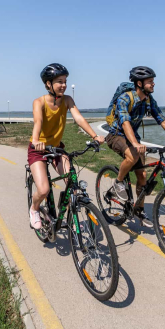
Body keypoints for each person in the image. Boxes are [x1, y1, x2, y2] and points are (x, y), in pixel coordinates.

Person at [105, 66, 165, 226]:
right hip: (116, 134)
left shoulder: (149, 100)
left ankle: (139, 209)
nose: (154, 84)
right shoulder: (125, 98)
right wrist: (135, 144)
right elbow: (125, 122)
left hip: (132, 137)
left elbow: (162, 119)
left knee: (142, 177)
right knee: (132, 155)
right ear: (139, 83)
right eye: (150, 81)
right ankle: (118, 182)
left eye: (153, 81)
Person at [28, 63, 105, 229]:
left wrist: (94, 136)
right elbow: (38, 122)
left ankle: (72, 217)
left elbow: (79, 118)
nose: (63, 85)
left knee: (72, 184)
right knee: (43, 190)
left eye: (65, 81)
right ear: (49, 84)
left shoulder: (67, 100)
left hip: (57, 148)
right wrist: (35, 140)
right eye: (59, 81)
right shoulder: (38, 102)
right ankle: (34, 209)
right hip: (38, 149)